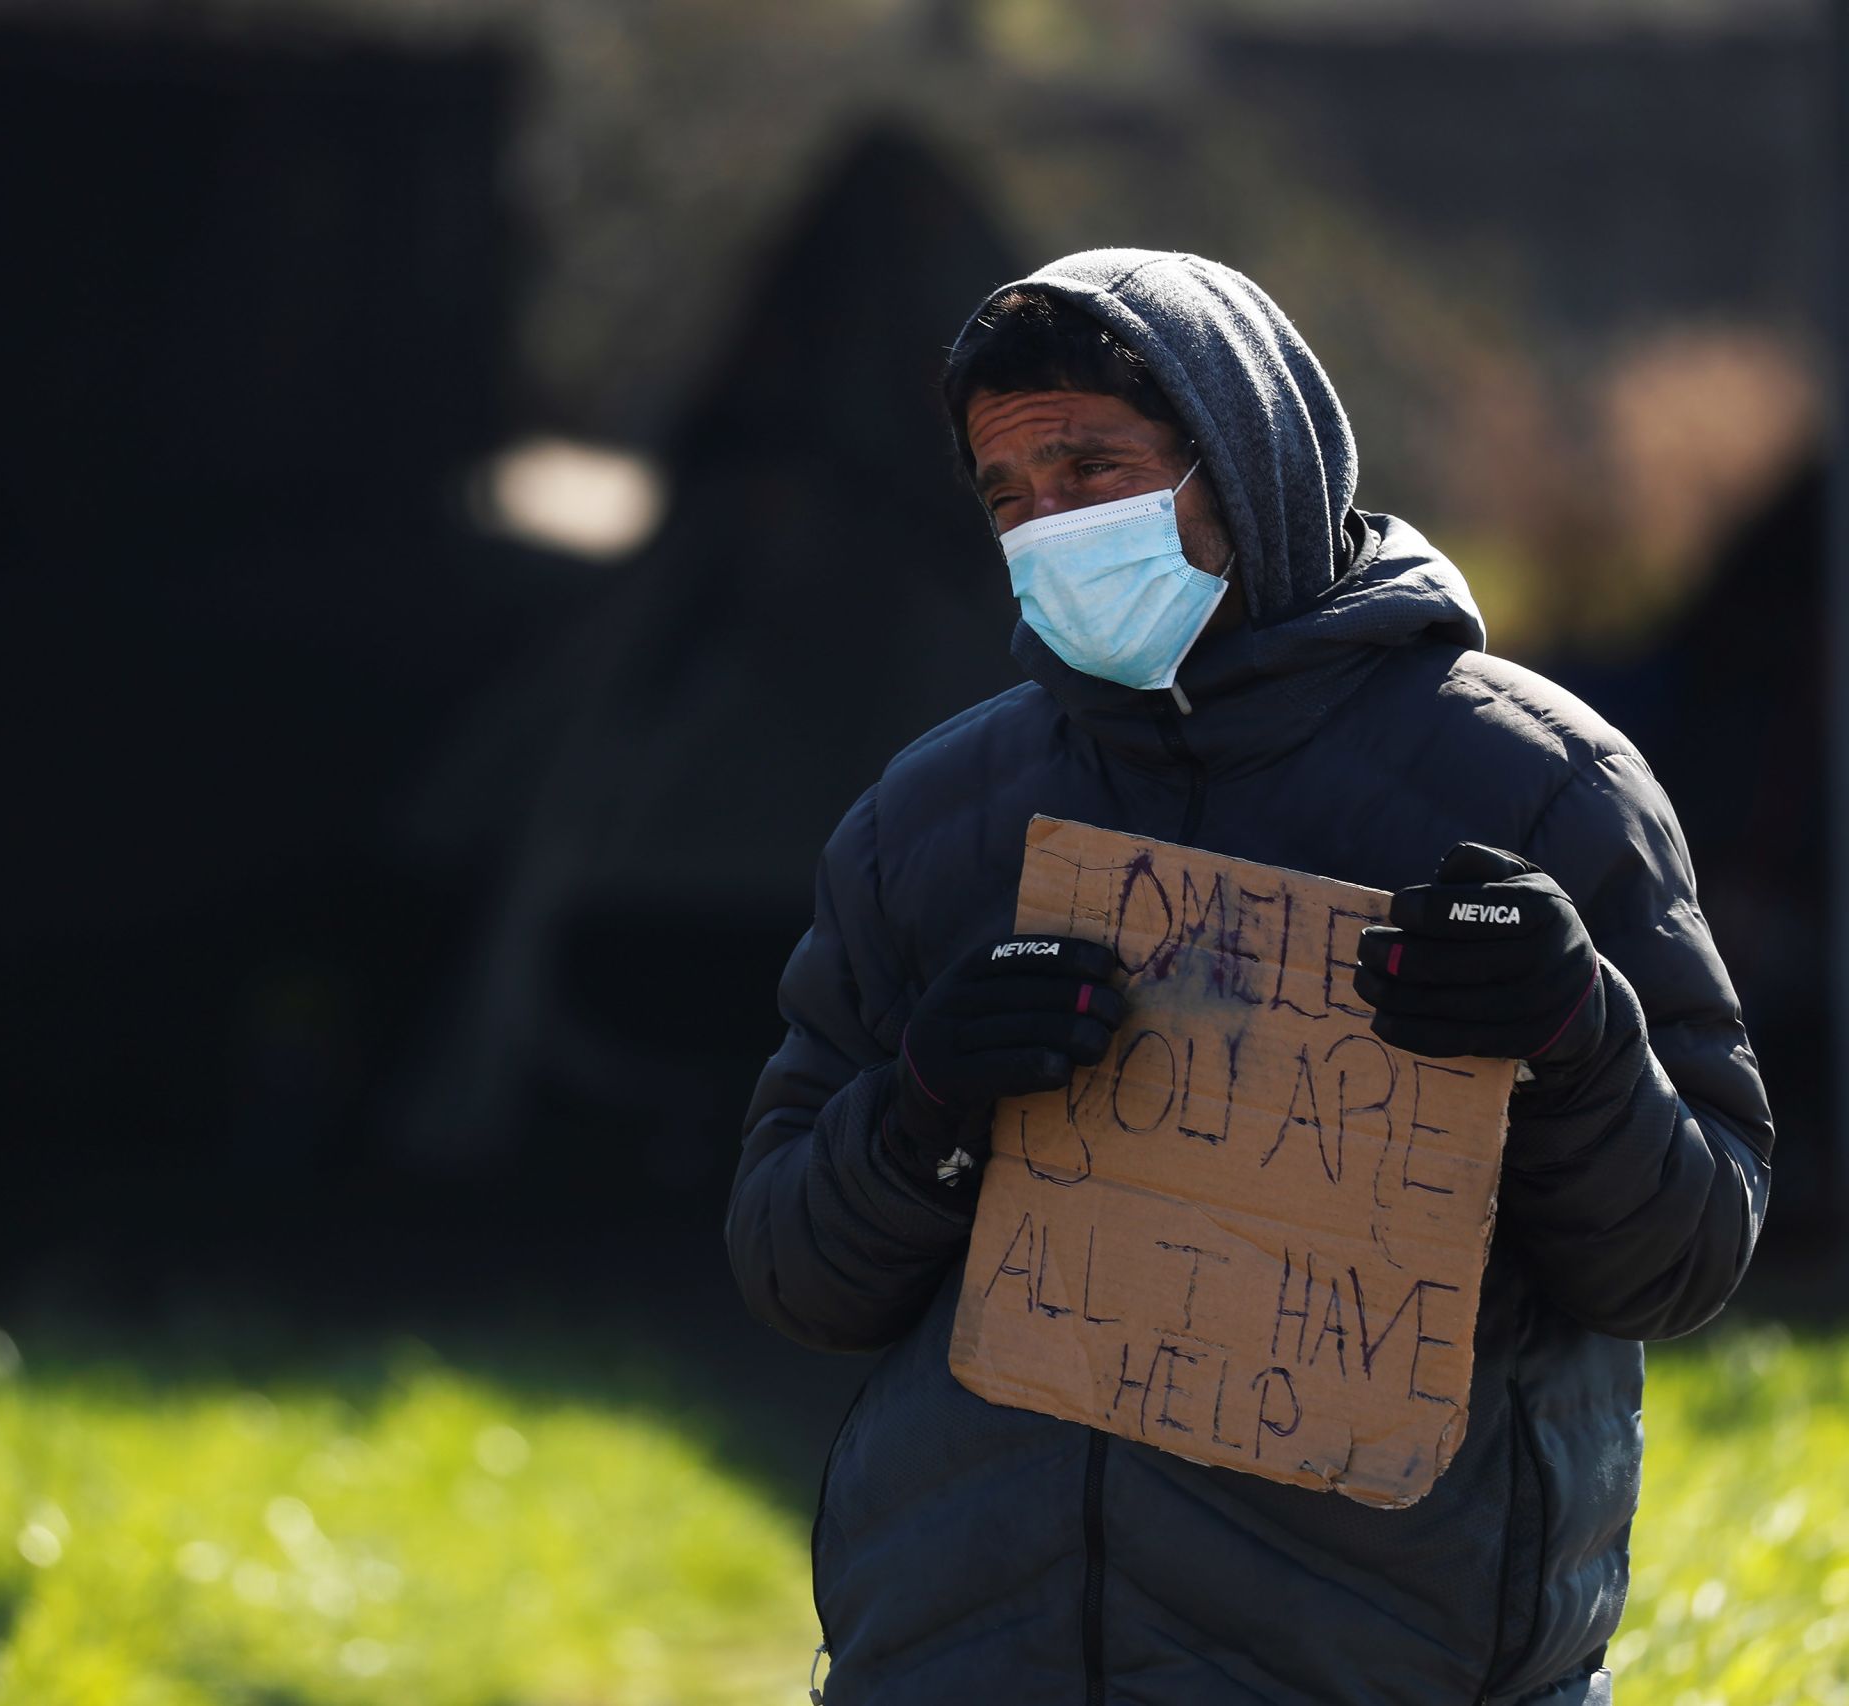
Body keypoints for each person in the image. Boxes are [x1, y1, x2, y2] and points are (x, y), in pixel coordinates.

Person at [724, 250, 1772, 1705]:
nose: (1053, 528)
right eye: (1008, 492)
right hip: (963, 1662)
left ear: (1252, 460)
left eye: (1095, 466)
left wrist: (1575, 1036)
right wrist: (924, 1104)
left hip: (1378, 1670)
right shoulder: (933, 817)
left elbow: (1683, 1255)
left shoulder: (1539, 788)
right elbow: (792, 1265)